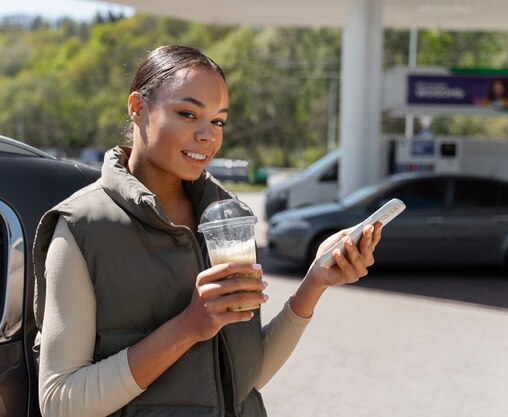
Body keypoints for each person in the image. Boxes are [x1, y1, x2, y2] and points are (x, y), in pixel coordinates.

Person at [32, 45, 382, 417]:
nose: (208, 136)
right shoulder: (81, 226)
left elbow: (245, 379)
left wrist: (315, 282)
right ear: (137, 108)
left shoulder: (228, 216)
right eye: (187, 113)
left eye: (218, 121)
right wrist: (188, 327)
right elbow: (60, 403)